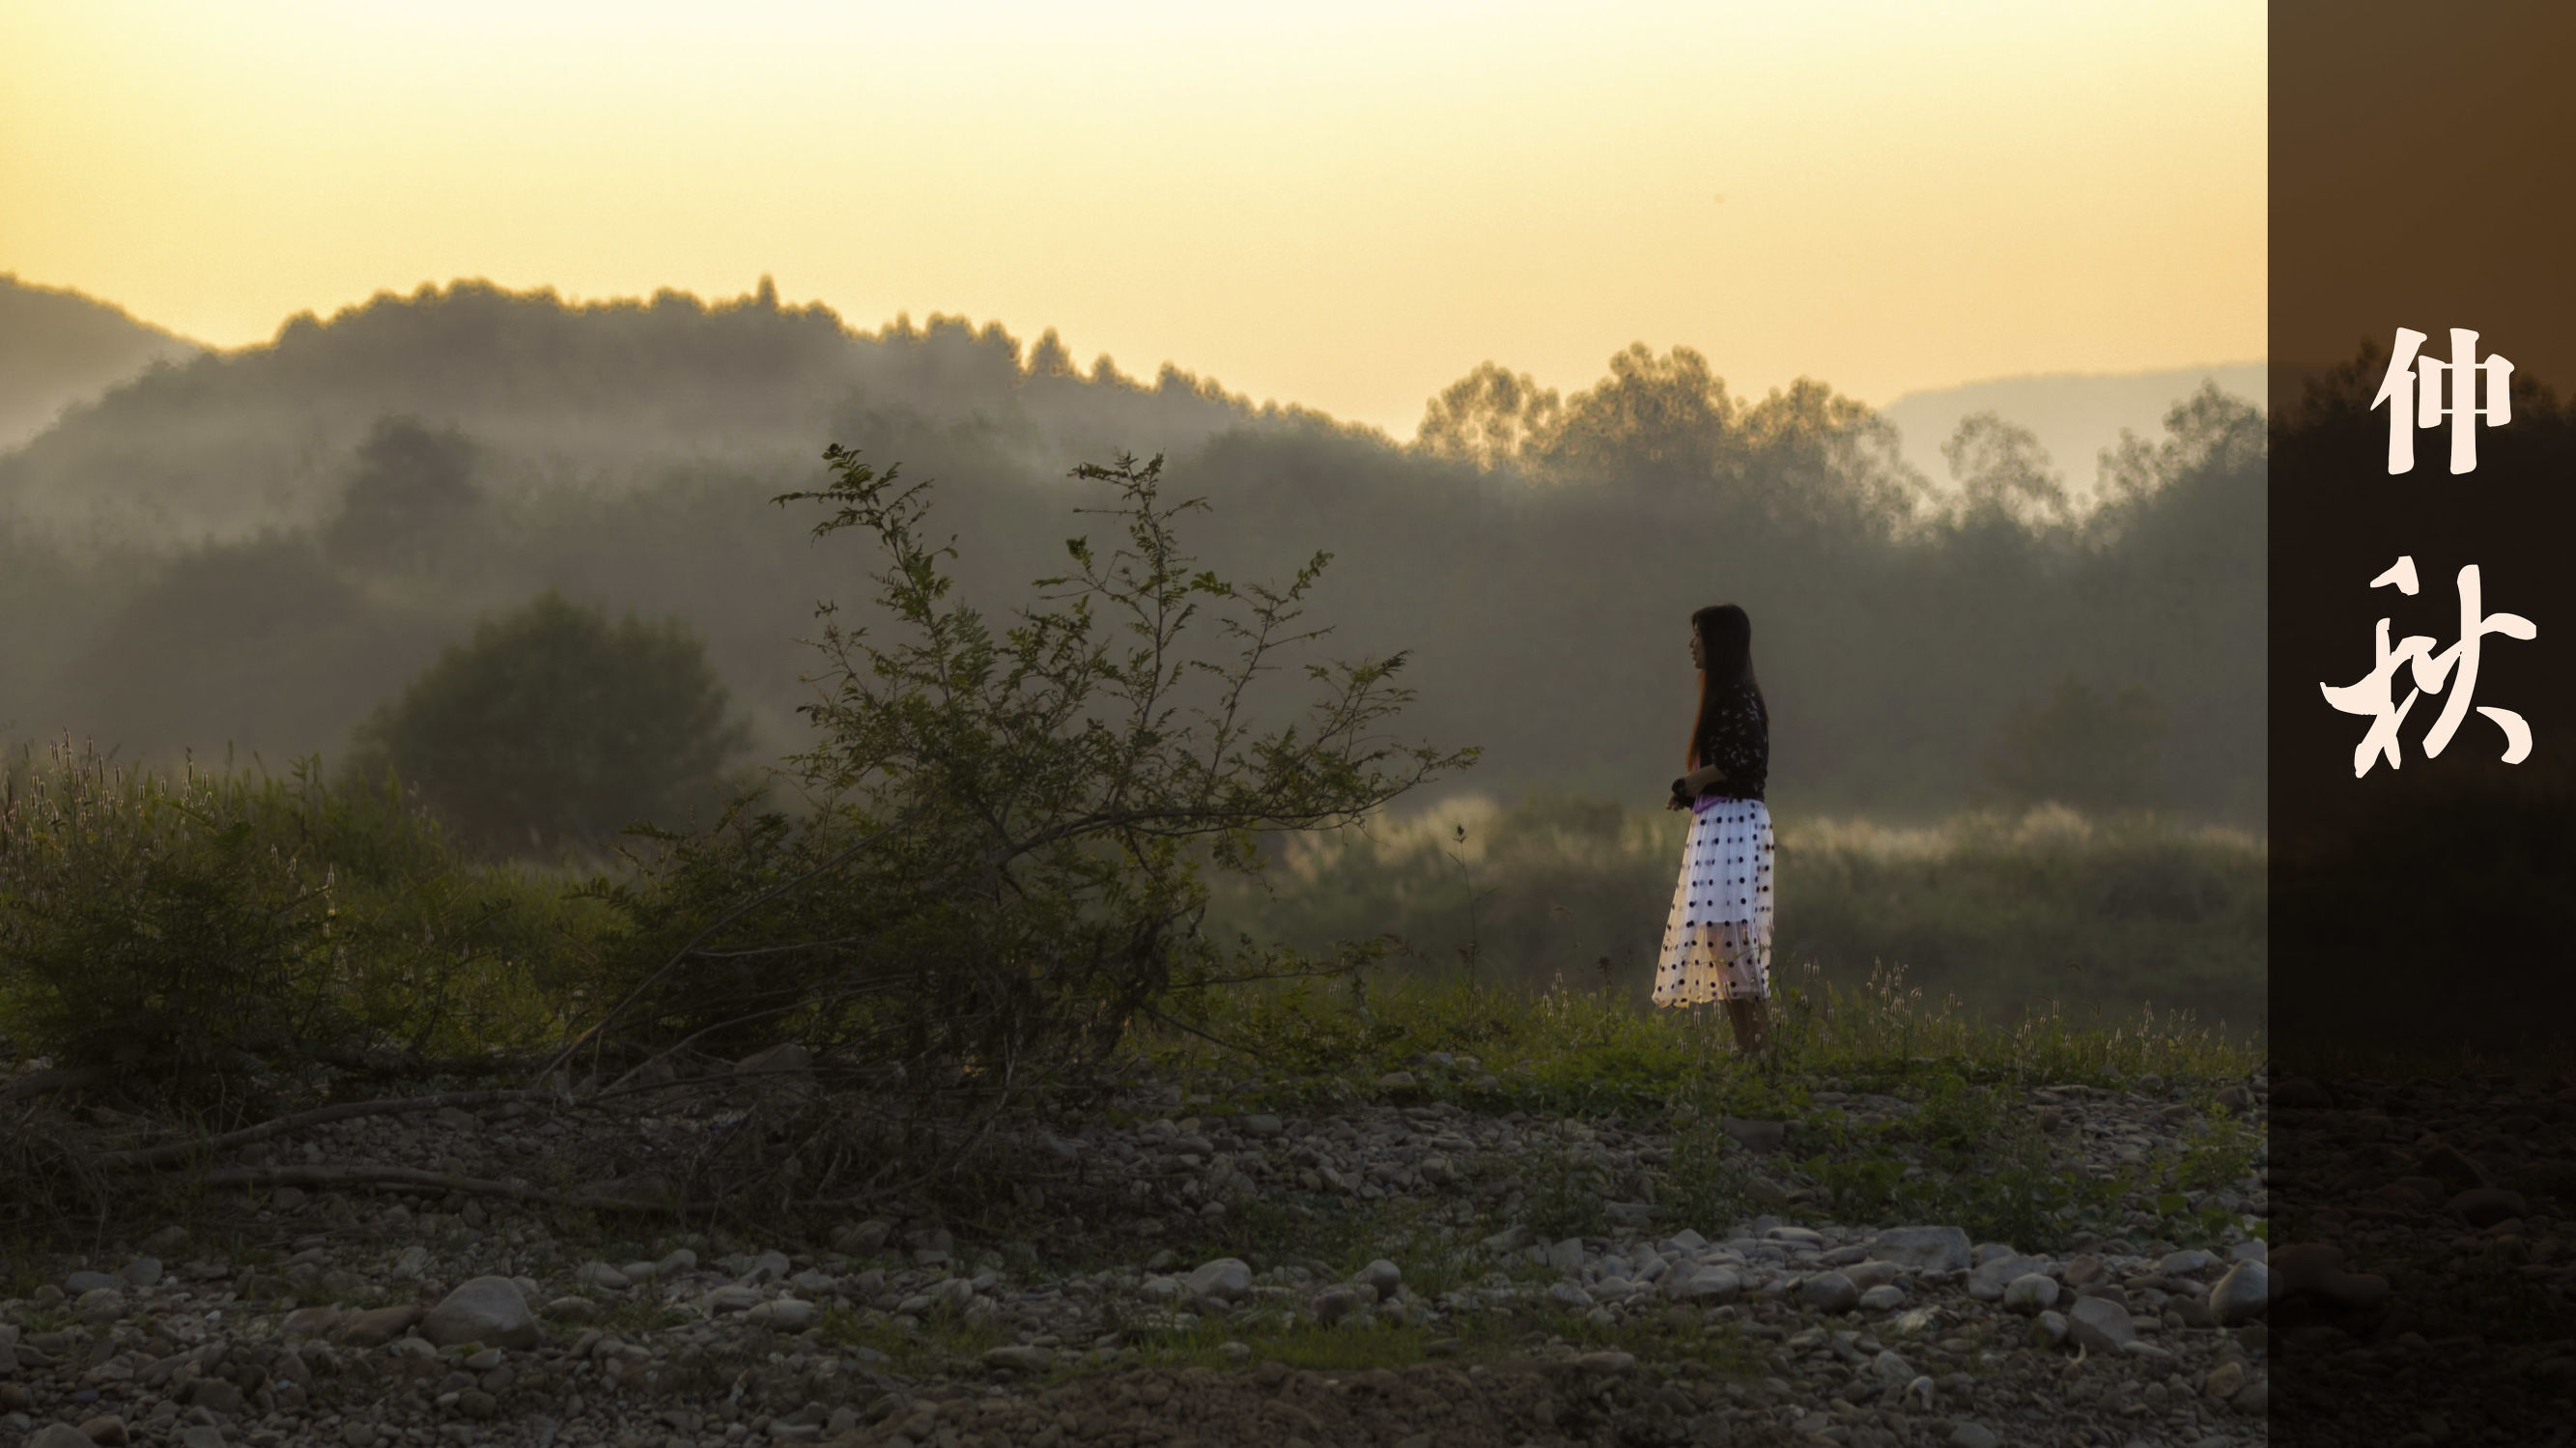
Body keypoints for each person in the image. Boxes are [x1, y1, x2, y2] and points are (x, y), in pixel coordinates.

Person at [1655, 603, 1774, 1051]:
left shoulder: (1738, 697)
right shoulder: (1730, 695)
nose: (1691, 645)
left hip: (1734, 826)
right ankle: (1749, 1046)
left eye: (1699, 637)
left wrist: (1689, 781)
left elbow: (1744, 760)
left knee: (1731, 936)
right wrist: (1688, 791)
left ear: (1718, 643)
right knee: (1720, 936)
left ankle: (1759, 1046)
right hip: (1720, 823)